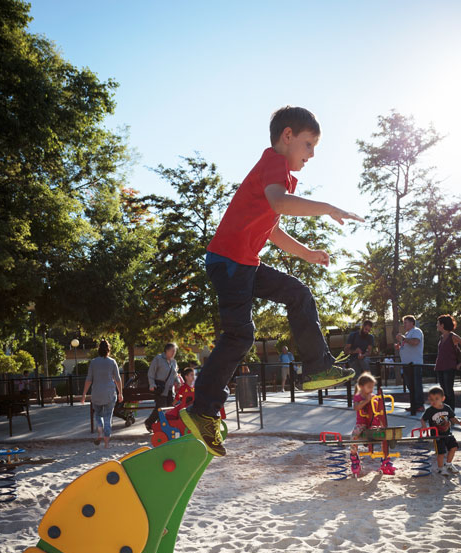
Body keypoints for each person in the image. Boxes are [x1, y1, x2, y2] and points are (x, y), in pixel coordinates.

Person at [181, 106, 362, 456]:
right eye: (309, 145)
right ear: (288, 136)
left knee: (299, 294)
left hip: (244, 264)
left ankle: (316, 367)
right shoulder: (273, 163)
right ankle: (201, 409)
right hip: (229, 262)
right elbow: (280, 204)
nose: (311, 155)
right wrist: (327, 207)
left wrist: (307, 254)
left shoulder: (281, 177)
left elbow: (273, 228)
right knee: (240, 335)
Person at [349, 372, 395, 478]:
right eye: (369, 387)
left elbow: (380, 412)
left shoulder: (375, 397)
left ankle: (385, 458)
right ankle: (354, 457)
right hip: (362, 424)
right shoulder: (358, 397)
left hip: (374, 423)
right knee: (353, 436)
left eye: (372, 387)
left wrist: (383, 424)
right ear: (361, 387)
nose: (371, 389)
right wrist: (366, 400)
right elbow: (356, 407)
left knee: (385, 435)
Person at [81, 339, 123, 448]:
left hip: (96, 393)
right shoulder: (112, 362)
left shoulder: (93, 362)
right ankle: (107, 444)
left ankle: (99, 427)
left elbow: (89, 379)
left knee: (98, 414)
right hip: (109, 393)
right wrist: (120, 393)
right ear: (108, 350)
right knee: (108, 417)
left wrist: (84, 394)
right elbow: (118, 379)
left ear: (98, 350)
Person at [421, 386, 461, 475]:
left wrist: (459, 422)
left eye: (436, 399)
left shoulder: (447, 408)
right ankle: (440, 468)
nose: (433, 401)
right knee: (441, 452)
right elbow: (423, 419)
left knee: (453, 448)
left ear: (443, 398)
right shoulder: (430, 410)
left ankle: (449, 464)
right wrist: (424, 426)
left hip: (448, 434)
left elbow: (452, 418)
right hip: (437, 436)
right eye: (431, 399)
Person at [145, 343, 182, 432]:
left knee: (169, 408)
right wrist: (152, 384)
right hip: (160, 388)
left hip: (170, 389)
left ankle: (159, 426)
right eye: (172, 351)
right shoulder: (158, 359)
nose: (174, 353)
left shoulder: (174, 362)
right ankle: (149, 423)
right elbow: (151, 373)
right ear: (166, 350)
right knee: (161, 407)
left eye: (175, 351)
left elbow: (175, 374)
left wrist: (178, 382)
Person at [395, 315, 425, 412]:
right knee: (410, 386)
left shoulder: (416, 331)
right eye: (403, 323)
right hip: (407, 364)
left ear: (412, 323)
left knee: (416, 385)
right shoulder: (408, 333)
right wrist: (399, 346)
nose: (404, 325)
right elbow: (407, 345)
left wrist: (403, 339)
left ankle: (419, 405)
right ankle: (414, 405)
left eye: (405, 322)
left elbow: (415, 342)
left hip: (415, 364)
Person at [434, 314, 461, 412]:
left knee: (449, 392)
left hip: (449, 367)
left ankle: (451, 415)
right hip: (440, 367)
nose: (436, 325)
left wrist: (459, 364)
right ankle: (446, 413)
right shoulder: (441, 337)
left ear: (442, 325)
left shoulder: (452, 336)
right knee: (444, 392)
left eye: (438, 323)